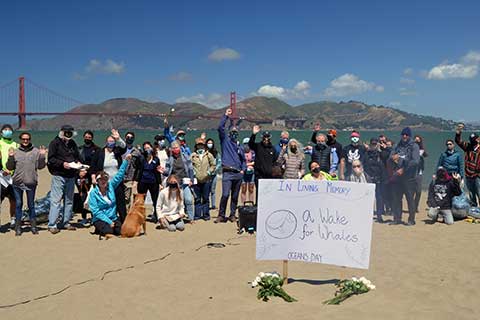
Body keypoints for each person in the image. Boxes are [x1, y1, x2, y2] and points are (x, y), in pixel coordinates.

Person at [6, 132, 46, 235]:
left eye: (27, 139)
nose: (25, 141)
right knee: (18, 204)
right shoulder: (15, 152)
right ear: (20, 140)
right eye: (23, 139)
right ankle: (18, 227)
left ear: (30, 139)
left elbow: (41, 166)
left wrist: (42, 155)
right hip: (17, 182)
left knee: (31, 204)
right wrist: (10, 157)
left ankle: (33, 226)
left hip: (31, 182)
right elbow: (10, 167)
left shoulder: (36, 151)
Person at [47, 125, 82, 233]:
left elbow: (77, 156)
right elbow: (51, 159)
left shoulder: (72, 143)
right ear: (61, 132)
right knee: (56, 201)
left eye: (70, 133)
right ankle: (52, 225)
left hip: (71, 175)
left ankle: (65, 222)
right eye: (66, 132)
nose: (68, 135)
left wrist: (79, 163)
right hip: (59, 175)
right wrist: (62, 164)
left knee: (69, 200)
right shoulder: (54, 143)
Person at [89, 155, 131, 238]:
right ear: (97, 181)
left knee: (121, 231)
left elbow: (119, 175)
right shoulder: (93, 193)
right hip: (100, 218)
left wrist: (125, 161)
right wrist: (109, 221)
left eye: (105, 179)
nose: (103, 181)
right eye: (101, 180)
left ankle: (107, 227)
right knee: (109, 231)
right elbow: (96, 211)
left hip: (113, 217)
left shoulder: (111, 186)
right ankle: (99, 228)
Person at [91, 129, 128, 223]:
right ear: (106, 142)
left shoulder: (117, 151)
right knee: (107, 203)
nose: (110, 143)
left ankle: (124, 221)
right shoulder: (99, 152)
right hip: (104, 183)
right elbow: (93, 166)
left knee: (120, 202)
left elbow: (124, 147)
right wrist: (93, 177)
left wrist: (118, 138)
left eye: (112, 141)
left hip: (116, 182)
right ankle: (107, 220)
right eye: (109, 141)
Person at [216, 108, 246, 223]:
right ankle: (221, 215)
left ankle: (232, 214)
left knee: (235, 196)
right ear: (229, 133)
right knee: (225, 194)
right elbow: (220, 128)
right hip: (227, 172)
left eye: (236, 132)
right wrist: (226, 116)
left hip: (238, 174)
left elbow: (243, 160)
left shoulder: (240, 147)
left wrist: (243, 169)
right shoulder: (225, 141)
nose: (234, 134)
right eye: (232, 132)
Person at [390, 127, 420, 226]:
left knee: (410, 199)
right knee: (396, 198)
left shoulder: (414, 146)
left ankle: (411, 220)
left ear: (409, 136)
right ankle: (397, 218)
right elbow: (391, 157)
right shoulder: (397, 145)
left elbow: (415, 161)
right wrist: (393, 158)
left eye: (406, 135)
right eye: (403, 134)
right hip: (397, 177)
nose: (404, 136)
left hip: (409, 177)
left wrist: (403, 168)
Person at [163, 140, 195, 221]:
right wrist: (162, 171)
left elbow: (191, 169)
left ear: (180, 148)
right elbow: (167, 171)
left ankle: (191, 218)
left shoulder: (185, 156)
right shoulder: (170, 159)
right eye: (173, 148)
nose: (175, 149)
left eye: (176, 147)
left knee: (188, 200)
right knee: (176, 201)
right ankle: (177, 217)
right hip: (174, 183)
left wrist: (191, 179)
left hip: (185, 182)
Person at [134, 142, 162, 223]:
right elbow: (138, 170)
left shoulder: (156, 159)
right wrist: (135, 181)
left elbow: (158, 172)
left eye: (148, 147)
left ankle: (156, 217)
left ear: (151, 148)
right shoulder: (142, 158)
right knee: (140, 201)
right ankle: (139, 217)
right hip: (143, 182)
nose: (147, 149)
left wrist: (160, 183)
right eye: (145, 148)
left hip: (154, 182)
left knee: (155, 200)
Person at [249, 126, 276, 203]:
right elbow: (250, 144)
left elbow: (274, 161)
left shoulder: (272, 149)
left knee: (269, 194)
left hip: (269, 176)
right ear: (262, 138)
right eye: (264, 137)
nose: (266, 139)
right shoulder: (258, 146)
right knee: (259, 194)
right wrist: (254, 134)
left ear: (270, 138)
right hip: (259, 176)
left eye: (267, 137)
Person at [455, 125, 480, 206]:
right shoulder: (468, 147)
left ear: (478, 139)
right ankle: (474, 209)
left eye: (474, 139)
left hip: (478, 176)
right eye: (471, 140)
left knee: (479, 193)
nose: (473, 141)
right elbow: (458, 141)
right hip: (468, 175)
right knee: (471, 194)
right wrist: (458, 133)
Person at [191, 138, 216, 221]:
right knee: (197, 198)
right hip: (196, 180)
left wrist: (209, 171)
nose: (200, 147)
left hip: (206, 180)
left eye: (202, 145)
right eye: (199, 145)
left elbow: (213, 165)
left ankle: (206, 215)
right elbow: (189, 166)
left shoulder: (208, 155)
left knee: (205, 198)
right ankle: (197, 215)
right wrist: (193, 172)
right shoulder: (193, 155)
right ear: (196, 146)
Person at [0, 124, 19, 228]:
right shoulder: (0, 143)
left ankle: (13, 219)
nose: (7, 131)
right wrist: (3, 170)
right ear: (1, 132)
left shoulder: (16, 145)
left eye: (9, 130)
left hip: (12, 177)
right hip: (1, 176)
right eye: (5, 130)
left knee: (14, 200)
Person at [364, 138, 386, 222]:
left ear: (377, 144)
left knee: (379, 198)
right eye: (372, 144)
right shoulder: (366, 154)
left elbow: (388, 155)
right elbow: (363, 164)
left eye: (375, 144)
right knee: (369, 197)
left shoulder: (381, 154)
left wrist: (383, 148)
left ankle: (379, 215)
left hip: (379, 179)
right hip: (369, 178)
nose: (373, 146)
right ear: (370, 144)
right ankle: (367, 214)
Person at [121, 131, 142, 210]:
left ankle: (126, 215)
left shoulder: (136, 152)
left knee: (127, 198)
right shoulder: (120, 149)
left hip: (129, 178)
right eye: (128, 137)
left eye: (131, 138)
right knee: (117, 197)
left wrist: (136, 179)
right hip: (118, 177)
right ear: (125, 138)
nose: (129, 139)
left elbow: (139, 167)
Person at [413, 135, 428, 213]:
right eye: (416, 141)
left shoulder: (422, 148)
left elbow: (426, 155)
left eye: (418, 141)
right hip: (411, 172)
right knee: (411, 191)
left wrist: (422, 151)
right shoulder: (411, 148)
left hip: (419, 172)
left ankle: (415, 206)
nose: (417, 142)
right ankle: (412, 206)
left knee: (418, 191)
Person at [206, 138, 221, 209]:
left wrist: (215, 169)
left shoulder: (216, 152)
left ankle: (213, 205)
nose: (210, 144)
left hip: (214, 174)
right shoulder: (205, 152)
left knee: (213, 190)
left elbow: (219, 162)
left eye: (211, 143)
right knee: (207, 189)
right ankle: (207, 204)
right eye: (208, 143)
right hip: (206, 174)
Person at [241, 137, 255, 203]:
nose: (247, 145)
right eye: (245, 144)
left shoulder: (253, 152)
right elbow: (240, 162)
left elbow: (254, 162)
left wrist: (247, 164)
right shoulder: (241, 152)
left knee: (251, 189)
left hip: (251, 172)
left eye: (248, 144)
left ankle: (251, 203)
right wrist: (248, 165)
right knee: (243, 189)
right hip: (243, 172)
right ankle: (243, 203)